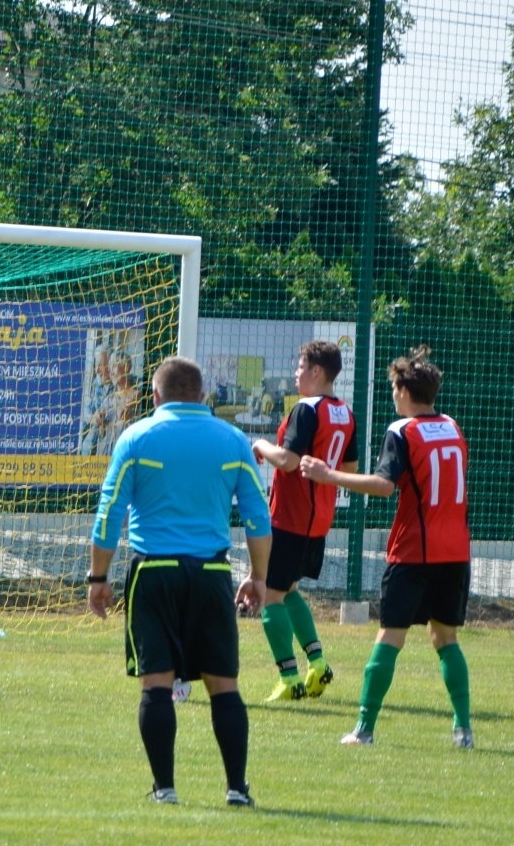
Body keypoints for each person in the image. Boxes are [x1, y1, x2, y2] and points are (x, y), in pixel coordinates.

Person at [88, 356, 271, 807]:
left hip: (154, 572)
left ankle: (164, 789)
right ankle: (236, 788)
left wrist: (98, 577)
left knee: (156, 683)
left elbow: (109, 513)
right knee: (223, 683)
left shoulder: (137, 437)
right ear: (203, 395)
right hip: (211, 573)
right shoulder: (232, 441)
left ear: (154, 396)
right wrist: (259, 578)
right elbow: (257, 518)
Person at [300, 346, 474, 749]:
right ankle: (463, 729)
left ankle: (364, 728)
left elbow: (382, 485)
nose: (392, 394)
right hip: (455, 552)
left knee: (389, 637)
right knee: (446, 639)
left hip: (414, 551)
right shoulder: (453, 427)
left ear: (403, 391)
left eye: (394, 387)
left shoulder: (402, 431)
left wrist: (329, 475)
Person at [250, 340, 358, 701]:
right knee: (290, 590)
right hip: (318, 521)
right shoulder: (345, 412)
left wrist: (261, 445)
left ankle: (289, 678)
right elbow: (350, 469)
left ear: (316, 371)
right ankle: (318, 663)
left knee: (269, 596)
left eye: (299, 367)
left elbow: (288, 461)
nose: (296, 373)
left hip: (290, 517)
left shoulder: (306, 409)